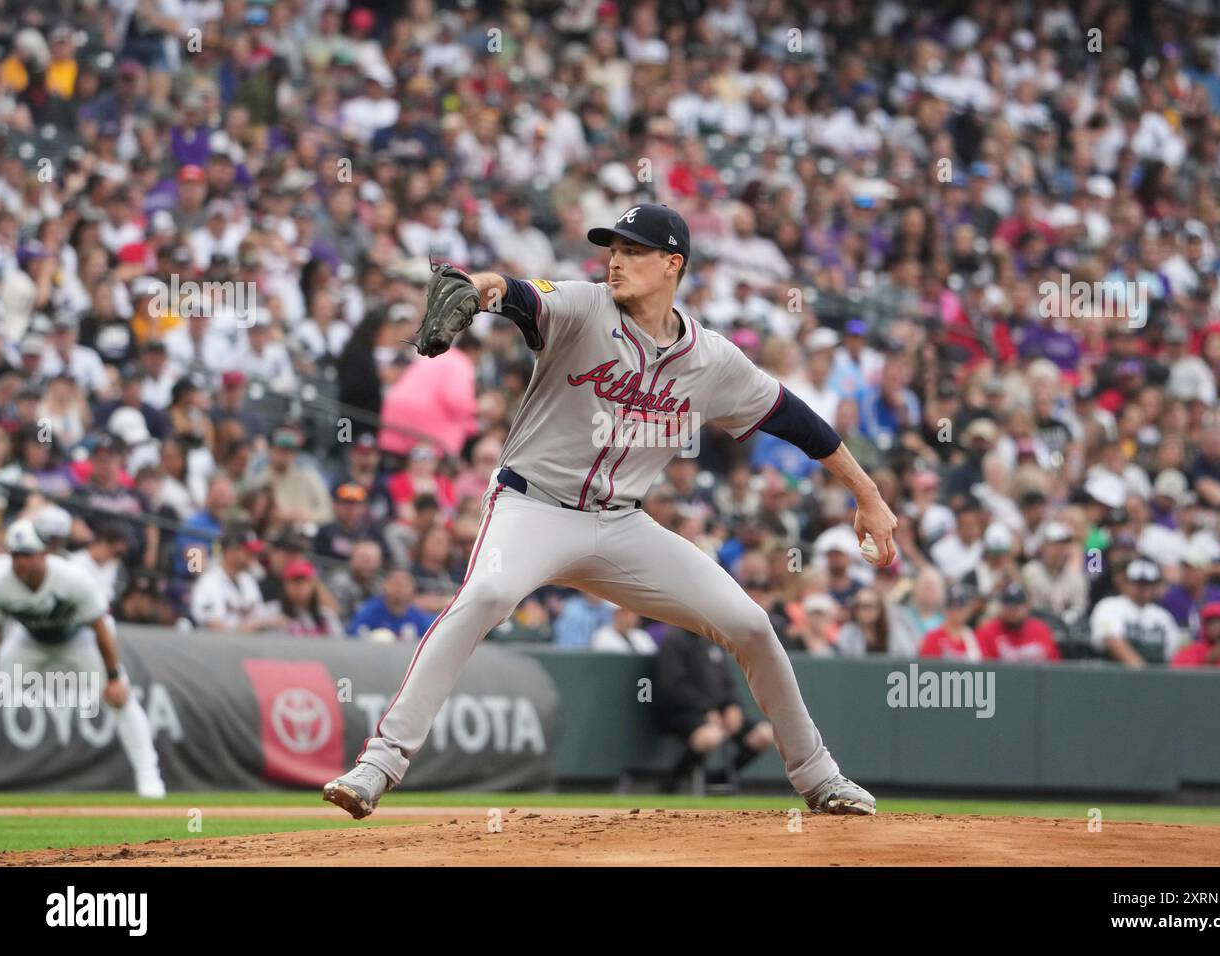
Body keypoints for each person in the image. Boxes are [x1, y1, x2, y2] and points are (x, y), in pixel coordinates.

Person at [325, 203, 897, 820]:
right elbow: (513, 294)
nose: (616, 260)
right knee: (486, 595)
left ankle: (820, 779)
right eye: (612, 248)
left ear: (672, 263)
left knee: (753, 626)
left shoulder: (711, 360)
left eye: (633, 250)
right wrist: (479, 289)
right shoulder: (583, 306)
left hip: (622, 525)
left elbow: (797, 421)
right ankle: (380, 763)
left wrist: (868, 495)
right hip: (532, 507)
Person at [0, 520, 165, 798]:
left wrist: (112, 678)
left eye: (27, 554)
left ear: (44, 553)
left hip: (77, 640)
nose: (19, 562)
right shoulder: (1, 583)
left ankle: (150, 779)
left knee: (121, 697)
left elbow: (101, 629)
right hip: (29, 642)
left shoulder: (72, 578)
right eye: (15, 555)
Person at [654, 626, 776, 793]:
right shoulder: (674, 640)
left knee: (764, 734)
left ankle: (721, 778)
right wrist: (706, 709)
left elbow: (727, 683)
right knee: (709, 737)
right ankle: (672, 782)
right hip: (684, 713)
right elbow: (672, 686)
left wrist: (733, 706)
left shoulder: (711, 640)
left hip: (719, 712)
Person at [1089, 558, 1182, 666]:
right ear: (1126, 583)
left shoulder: (1163, 616)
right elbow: (1112, 641)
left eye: (1148, 583)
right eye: (1138, 583)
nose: (1143, 588)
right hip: (1117, 676)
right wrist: (1143, 674)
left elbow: (1172, 654)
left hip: (1156, 677)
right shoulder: (1109, 605)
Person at [189, 529, 272, 631]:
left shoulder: (248, 580)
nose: (253, 556)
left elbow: (259, 615)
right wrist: (241, 629)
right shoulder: (209, 581)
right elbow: (212, 624)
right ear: (230, 551)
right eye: (248, 552)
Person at [975, 583, 1060, 663]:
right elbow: (983, 670)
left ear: (1027, 606)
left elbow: (1054, 664)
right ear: (1001, 607)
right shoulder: (986, 632)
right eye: (1009, 607)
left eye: (1017, 607)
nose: (1013, 612)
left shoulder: (1041, 629)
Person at [348, 569, 436, 642]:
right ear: (385, 585)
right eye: (395, 583)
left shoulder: (418, 617)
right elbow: (354, 636)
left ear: (412, 589)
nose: (399, 589)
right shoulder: (369, 611)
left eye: (404, 585)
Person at [918, 583, 987, 660]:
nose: (960, 611)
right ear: (946, 609)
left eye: (963, 606)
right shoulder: (933, 638)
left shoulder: (973, 638)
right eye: (954, 606)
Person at [590, 605, 656, 653]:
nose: (631, 617)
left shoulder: (642, 635)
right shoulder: (602, 634)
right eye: (626, 613)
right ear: (615, 614)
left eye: (634, 613)